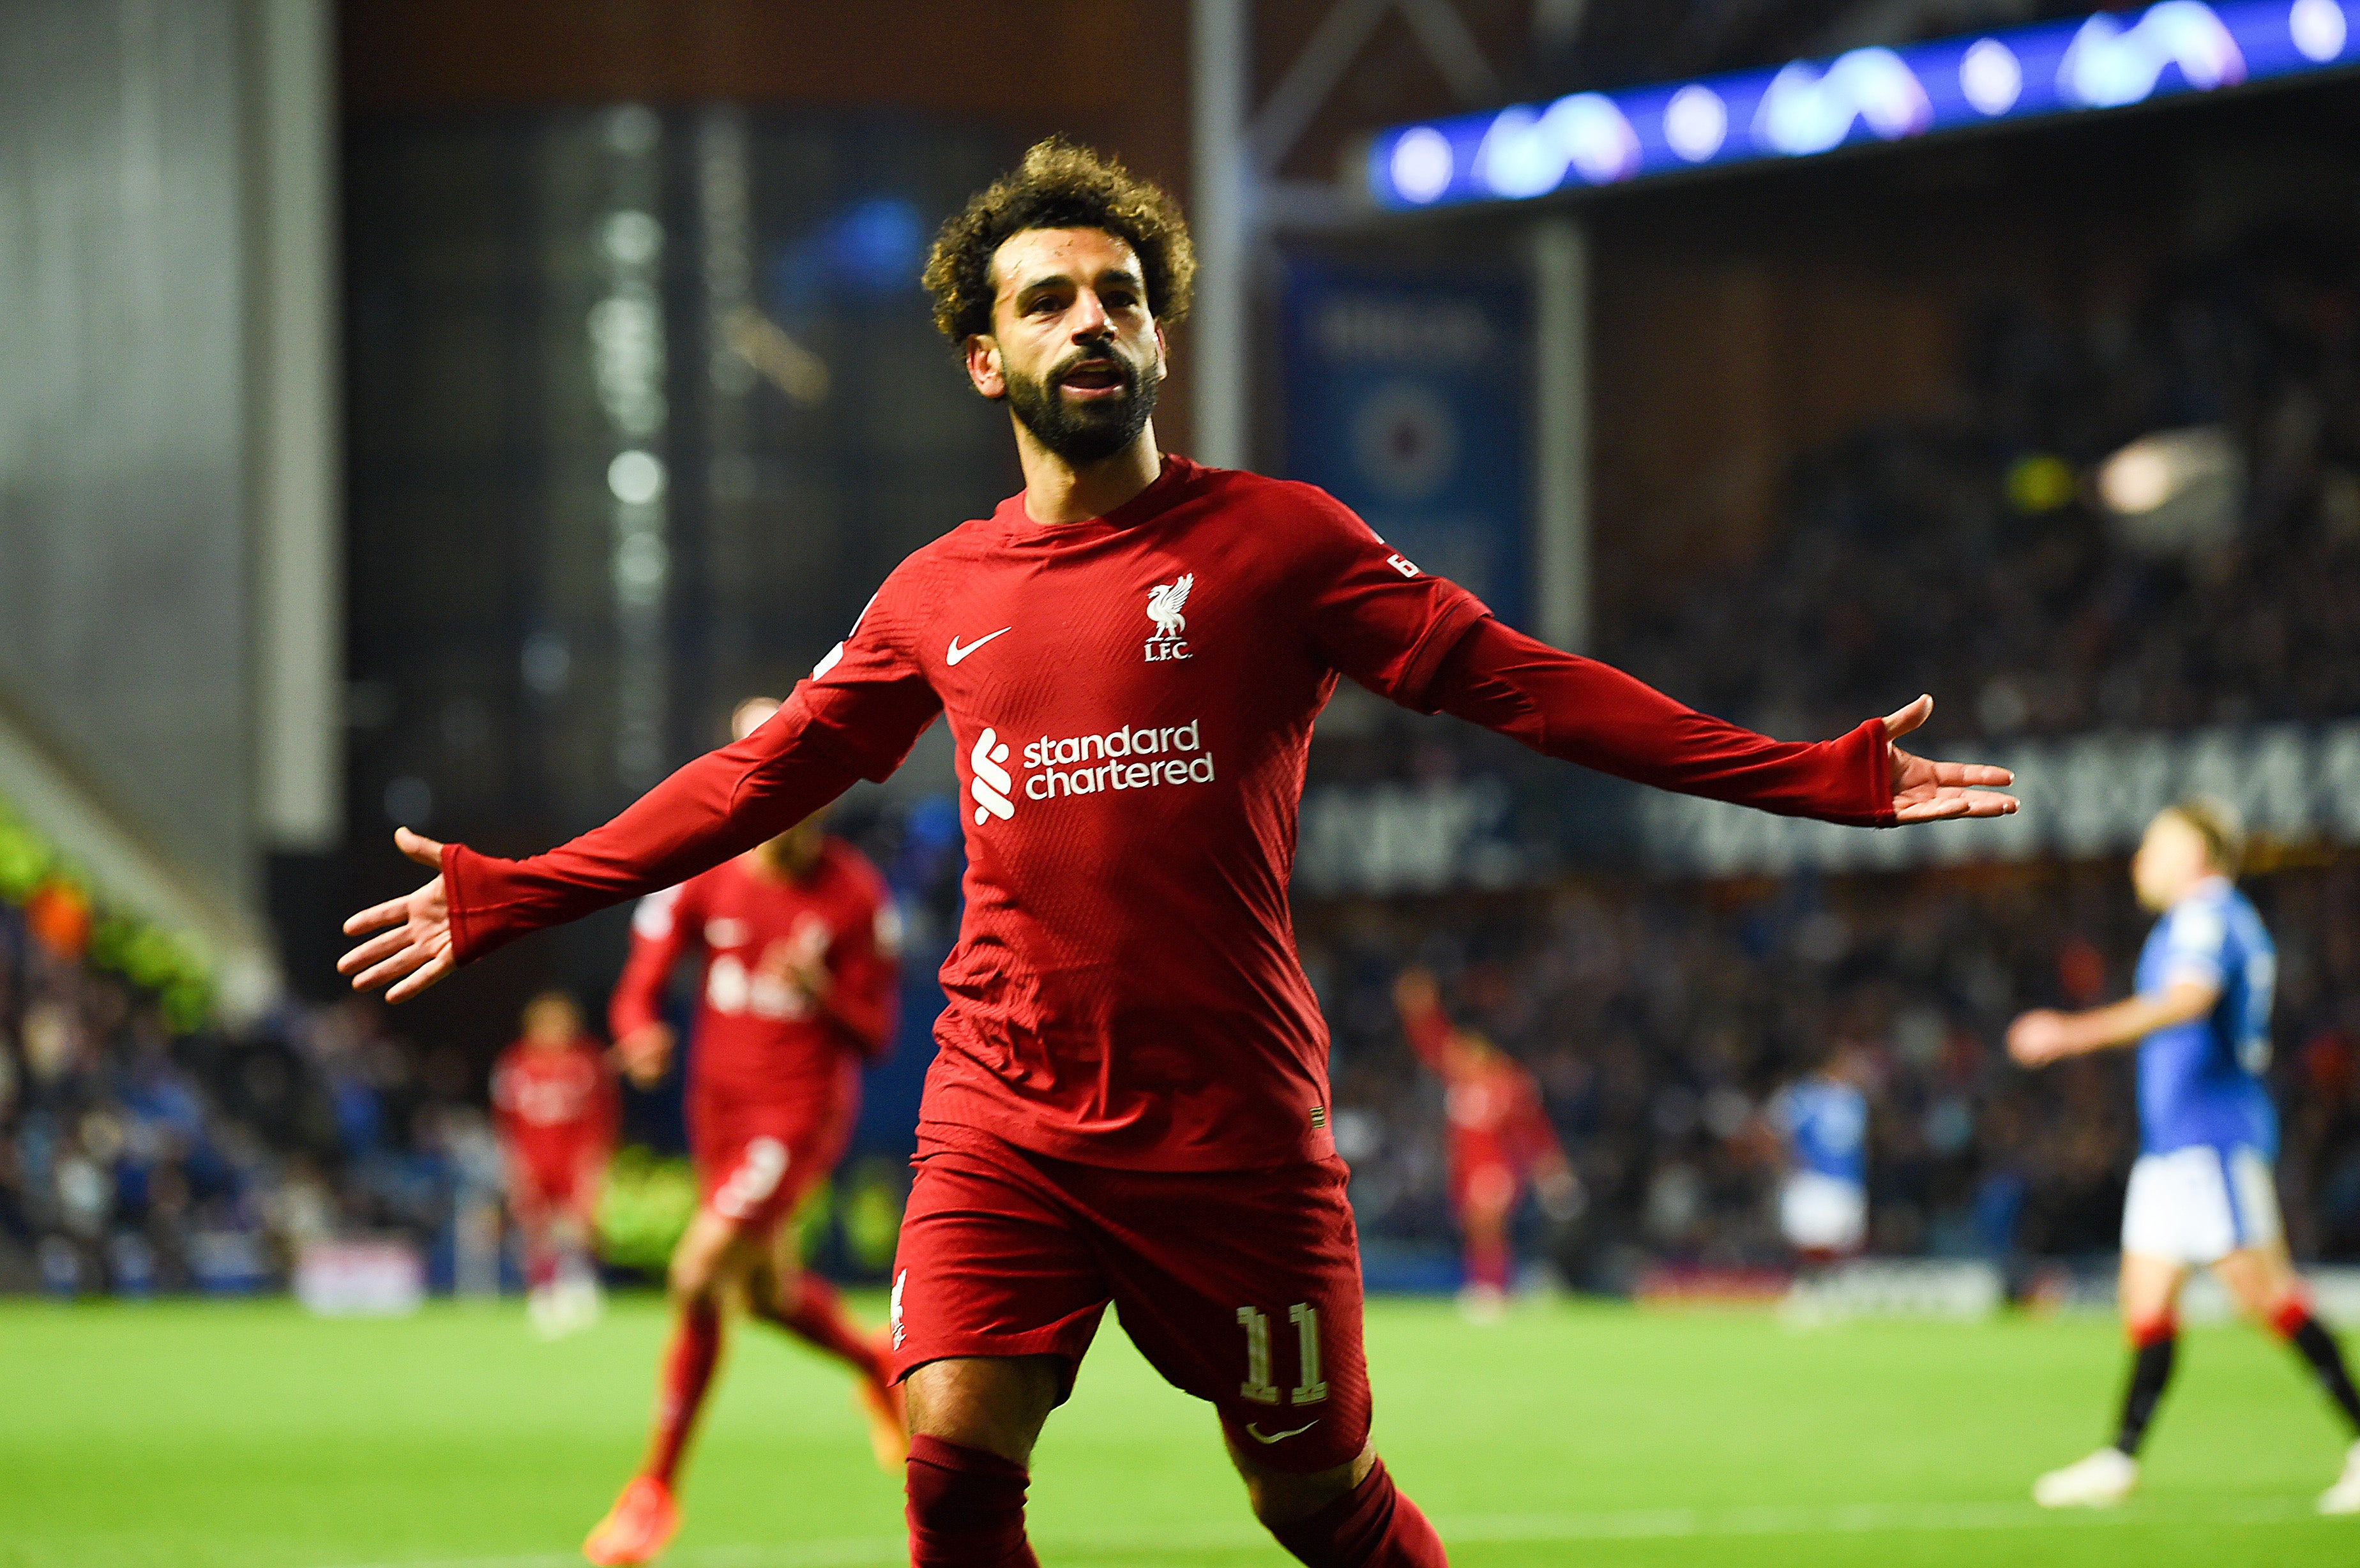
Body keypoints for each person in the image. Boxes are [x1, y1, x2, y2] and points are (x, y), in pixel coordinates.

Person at [339, 140, 2016, 1568]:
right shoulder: (936, 596)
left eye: (1120, 296)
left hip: (1233, 1126)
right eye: (1049, 300)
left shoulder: (1281, 544)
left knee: (1316, 1505)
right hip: (1006, 1098)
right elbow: (749, 784)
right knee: (950, 1454)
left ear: (1159, 337)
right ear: (985, 361)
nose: (1091, 320)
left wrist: (1812, 778)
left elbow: (1520, 684)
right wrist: (518, 892)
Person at [582, 696, 906, 1565]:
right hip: (716, 1111)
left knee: (696, 1273)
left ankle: (653, 1492)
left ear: (828, 805)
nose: (789, 818)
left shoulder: (854, 897)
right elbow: (640, 979)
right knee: (762, 1293)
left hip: (796, 1115)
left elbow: (876, 1033)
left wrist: (822, 992)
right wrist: (639, 1027)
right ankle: (877, 1366)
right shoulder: (705, 869)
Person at [2009, 799, 2360, 1514]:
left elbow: (2189, 999)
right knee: (2146, 1299)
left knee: (2265, 1293)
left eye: (2156, 843)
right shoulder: (2198, 919)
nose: (2143, 857)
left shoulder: (2206, 913)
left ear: (2197, 854)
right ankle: (2120, 1456)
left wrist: (2074, 1034)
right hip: (2174, 1147)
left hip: (2210, 1139)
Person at [1391, 969, 1579, 1321]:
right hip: (1464, 1168)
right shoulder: (1460, 1078)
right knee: (1476, 1227)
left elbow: (1534, 1131)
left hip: (1496, 1167)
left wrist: (1550, 1168)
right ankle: (1491, 1285)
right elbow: (1433, 1042)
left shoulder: (1507, 1083)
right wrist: (1419, 1010)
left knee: (1487, 1224)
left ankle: (1492, 1288)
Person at [490, 990, 618, 1338]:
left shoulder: (587, 1060)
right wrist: (515, 1169)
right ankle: (543, 1292)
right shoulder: (515, 1064)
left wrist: (593, 1166)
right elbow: (506, 1123)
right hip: (533, 1161)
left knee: (583, 1224)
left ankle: (583, 1286)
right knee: (535, 1229)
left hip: (575, 1159)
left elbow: (601, 1119)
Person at [1765, 1045, 1871, 1263]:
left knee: (1845, 1243)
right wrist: (1787, 1164)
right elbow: (1772, 1130)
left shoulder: (1855, 1100)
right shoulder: (1804, 1096)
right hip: (1812, 1180)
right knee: (1809, 1243)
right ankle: (1804, 1284)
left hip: (1847, 1181)